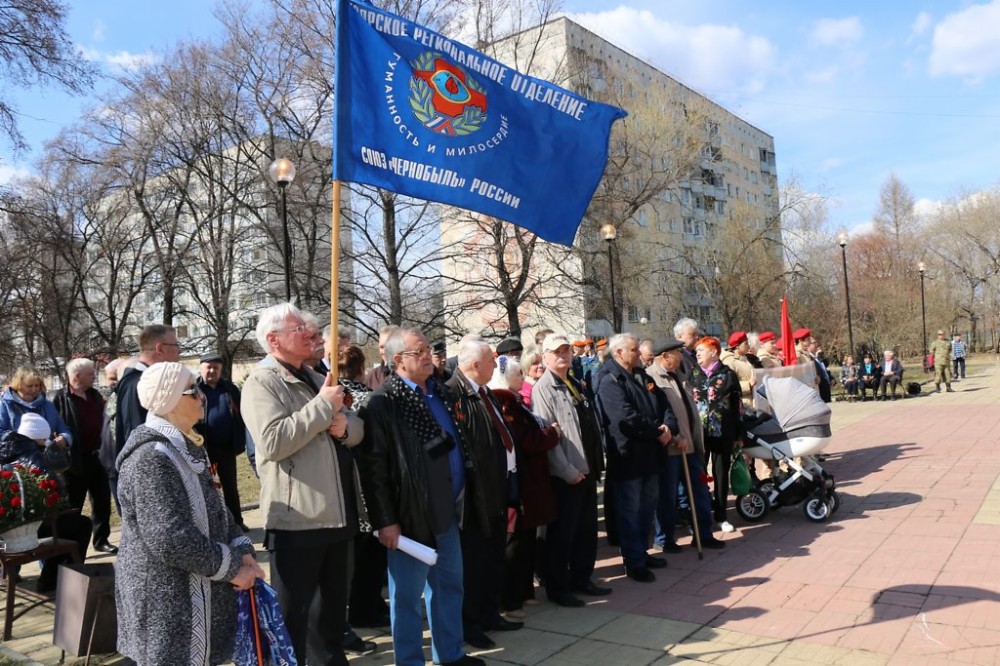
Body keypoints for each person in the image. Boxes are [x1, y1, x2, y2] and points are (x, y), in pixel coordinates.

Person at [242, 304, 365, 666]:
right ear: (273, 339)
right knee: (293, 618)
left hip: (337, 512)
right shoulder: (262, 382)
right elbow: (273, 442)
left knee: (330, 619)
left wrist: (346, 429)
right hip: (299, 518)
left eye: (312, 329)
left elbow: (356, 426)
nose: (312, 334)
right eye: (301, 329)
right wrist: (321, 409)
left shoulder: (315, 377)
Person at [115, 362, 262, 665]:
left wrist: (241, 547)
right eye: (192, 390)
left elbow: (217, 508)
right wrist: (233, 568)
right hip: (167, 604)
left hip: (194, 595)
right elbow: (169, 538)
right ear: (169, 400)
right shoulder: (151, 457)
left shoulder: (186, 445)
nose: (201, 396)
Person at [359, 328, 484, 666]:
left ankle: (451, 655)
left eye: (428, 349)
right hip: (410, 518)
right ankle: (410, 661)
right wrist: (386, 521)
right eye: (420, 351)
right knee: (407, 600)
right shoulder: (384, 402)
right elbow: (375, 471)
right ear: (398, 360)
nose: (429, 355)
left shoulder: (440, 393)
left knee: (448, 589)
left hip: (447, 511)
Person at [447, 339, 522, 649]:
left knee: (493, 559)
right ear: (475, 365)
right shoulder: (454, 394)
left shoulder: (484, 392)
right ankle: (470, 623)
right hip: (475, 495)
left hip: (497, 488)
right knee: (473, 565)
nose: (497, 365)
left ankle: (490, 613)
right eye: (491, 360)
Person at [531, 335, 607, 607]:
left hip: (587, 469)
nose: (563, 356)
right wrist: (566, 470)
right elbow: (547, 436)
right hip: (567, 474)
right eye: (557, 352)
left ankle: (582, 578)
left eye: (566, 351)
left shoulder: (574, 382)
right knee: (563, 535)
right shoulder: (544, 388)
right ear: (545, 356)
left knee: (586, 532)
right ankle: (558, 588)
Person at [593, 333, 675, 583]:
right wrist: (656, 432)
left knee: (646, 509)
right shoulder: (609, 379)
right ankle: (633, 561)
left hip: (651, 454)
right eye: (633, 350)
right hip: (629, 456)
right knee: (629, 511)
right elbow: (624, 418)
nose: (639, 354)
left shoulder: (641, 375)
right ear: (618, 353)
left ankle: (643, 551)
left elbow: (664, 404)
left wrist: (668, 427)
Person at [488, 358, 560, 618]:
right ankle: (510, 600)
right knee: (514, 544)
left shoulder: (514, 400)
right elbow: (525, 440)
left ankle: (525, 591)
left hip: (529, 483)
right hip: (519, 483)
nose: (522, 378)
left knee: (526, 540)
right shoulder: (503, 400)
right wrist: (552, 434)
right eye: (518, 374)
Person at [646, 340, 725, 553]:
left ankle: (703, 534)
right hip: (671, 449)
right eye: (676, 353)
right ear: (664, 356)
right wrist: (673, 438)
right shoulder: (652, 379)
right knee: (667, 496)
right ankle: (664, 539)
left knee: (699, 491)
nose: (680, 357)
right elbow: (657, 417)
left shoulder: (679, 376)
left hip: (689, 446)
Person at [1, 412, 93, 593]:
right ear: (41, 437)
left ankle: (50, 578)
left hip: (5, 531)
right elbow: (58, 494)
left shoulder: (6, 450)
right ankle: (52, 580)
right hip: (26, 530)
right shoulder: (35, 458)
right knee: (81, 524)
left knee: (65, 523)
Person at [52, 358, 116, 554]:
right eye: (91, 373)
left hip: (97, 456)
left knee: (102, 500)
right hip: (74, 460)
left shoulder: (95, 395)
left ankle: (101, 540)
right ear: (77, 376)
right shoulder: (59, 399)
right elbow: (55, 427)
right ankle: (71, 547)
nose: (94, 376)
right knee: (74, 505)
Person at [689, 337, 742, 533]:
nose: (698, 354)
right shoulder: (693, 374)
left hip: (723, 433)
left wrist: (738, 434)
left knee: (720, 474)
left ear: (714, 352)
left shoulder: (728, 375)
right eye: (697, 351)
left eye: (702, 350)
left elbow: (738, 407)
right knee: (700, 475)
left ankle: (721, 517)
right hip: (699, 434)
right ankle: (701, 519)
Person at [195, 353, 248, 531]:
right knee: (206, 489)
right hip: (203, 448)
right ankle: (211, 526)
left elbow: (242, 413)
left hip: (227, 448)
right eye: (208, 367)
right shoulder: (194, 390)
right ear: (201, 368)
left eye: (215, 368)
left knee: (230, 487)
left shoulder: (230, 389)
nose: (212, 371)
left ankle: (237, 523)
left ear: (221, 370)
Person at [0, 366, 72, 444]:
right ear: (19, 385)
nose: (34, 390)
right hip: (16, 454)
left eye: (37, 386)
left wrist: (64, 438)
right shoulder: (6, 405)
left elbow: (64, 429)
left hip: (45, 454)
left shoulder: (48, 405)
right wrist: (23, 440)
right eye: (29, 386)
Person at [720, 331, 756, 409]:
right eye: (745, 343)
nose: (748, 346)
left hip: (751, 402)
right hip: (741, 405)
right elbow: (728, 386)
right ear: (737, 346)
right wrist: (748, 385)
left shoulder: (746, 358)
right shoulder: (729, 362)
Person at [364, 325, 400, 390]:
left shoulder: (412, 373)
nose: (384, 351)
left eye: (388, 346)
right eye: (381, 347)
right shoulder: (372, 377)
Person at [673, 318, 700, 382]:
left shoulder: (696, 353)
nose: (697, 337)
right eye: (692, 334)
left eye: (697, 334)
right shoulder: (676, 356)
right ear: (679, 336)